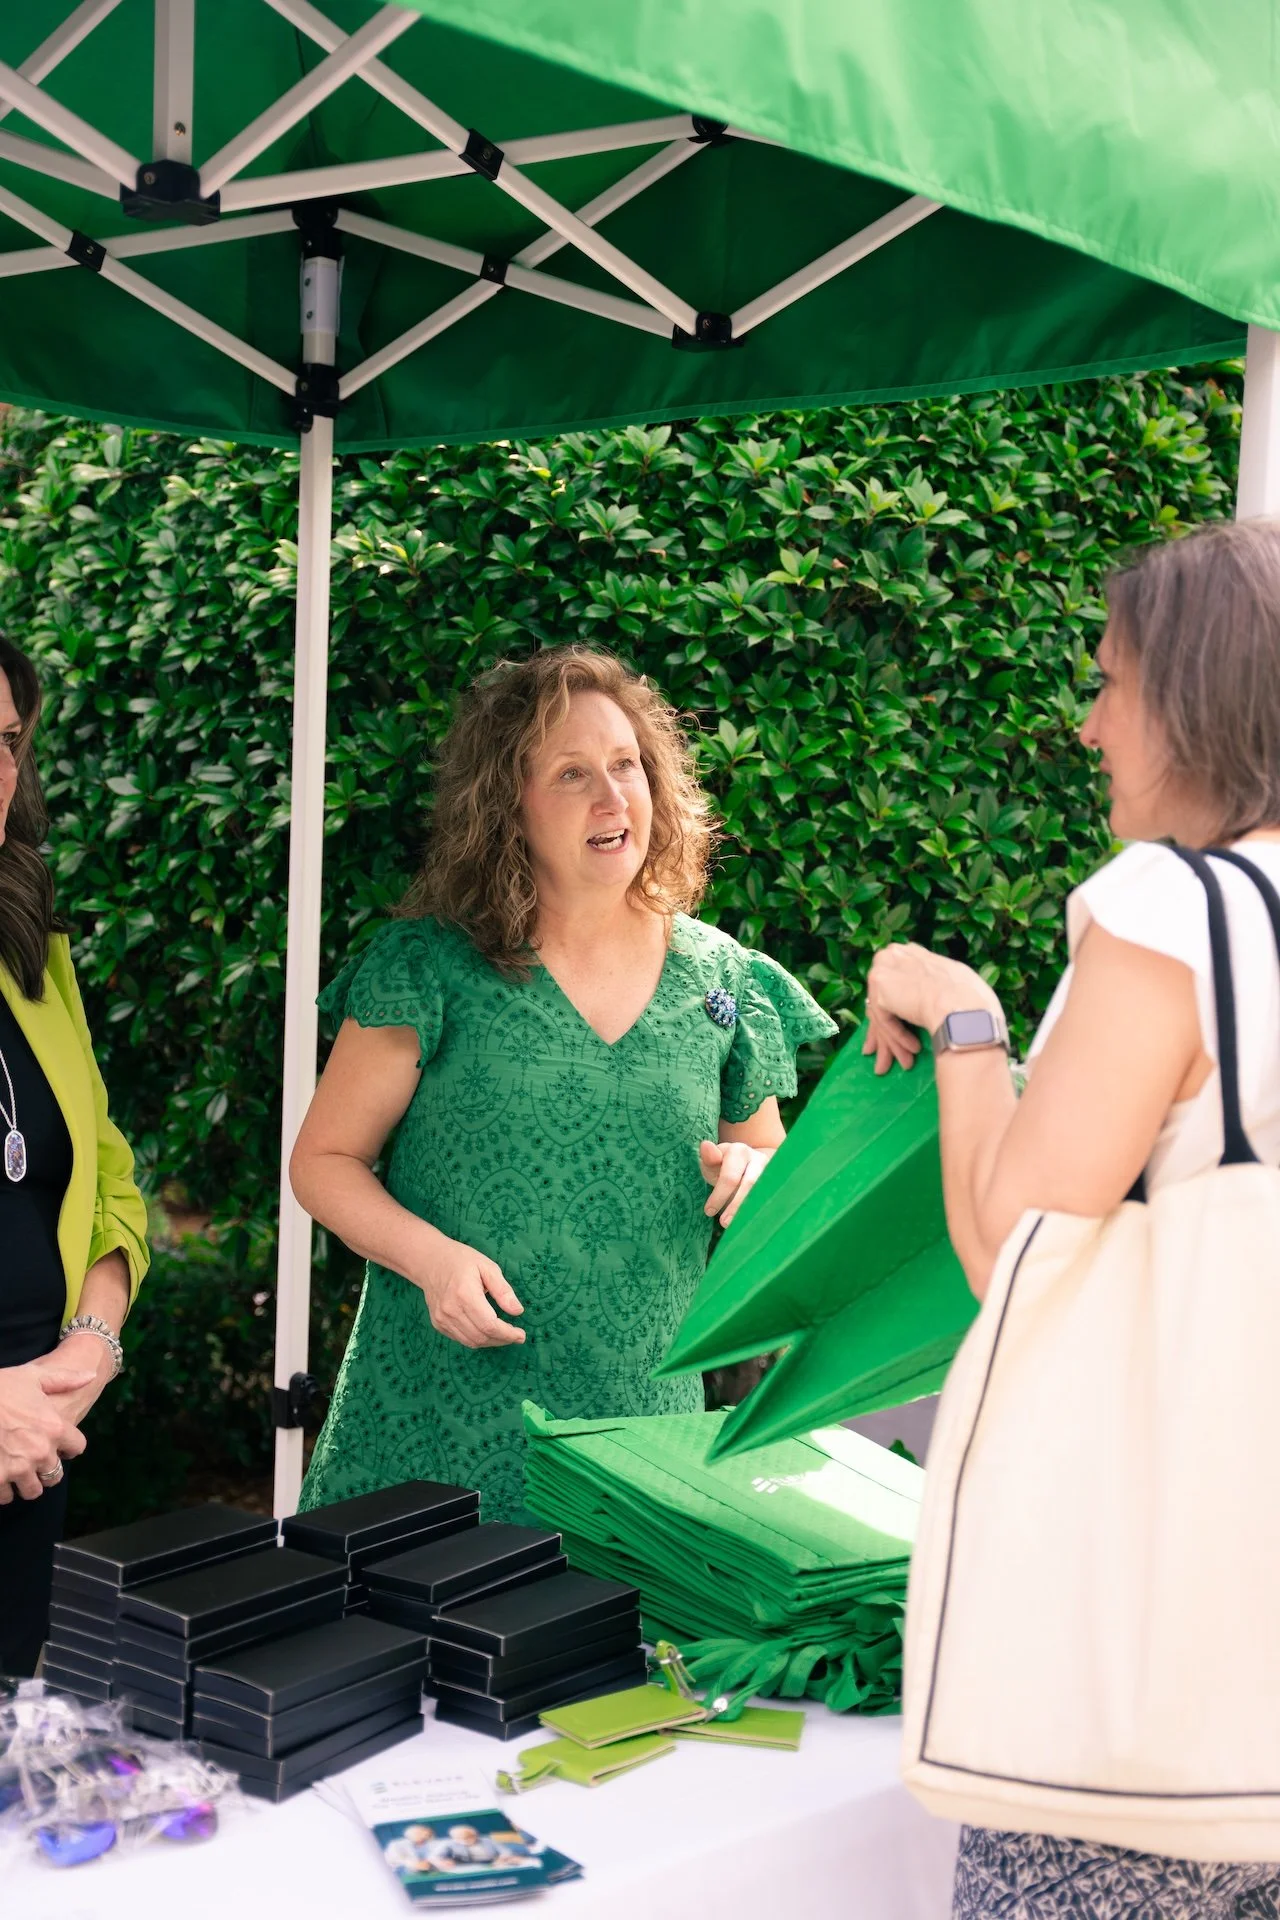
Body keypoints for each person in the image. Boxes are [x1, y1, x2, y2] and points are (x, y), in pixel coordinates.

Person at [864, 518, 1280, 1919]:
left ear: (1193, 699)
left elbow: (1014, 1249)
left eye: (1110, 686)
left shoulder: (1178, 914)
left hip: (1145, 1687)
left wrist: (963, 1015)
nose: (1090, 726)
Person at [292, 645, 835, 1520]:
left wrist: (759, 1180)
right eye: (573, 773)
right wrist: (431, 1262)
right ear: (510, 808)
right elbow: (323, 1160)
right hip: (434, 1433)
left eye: (626, 766)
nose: (613, 797)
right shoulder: (428, 968)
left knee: (624, 1661)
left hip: (639, 1442)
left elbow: (765, 1163)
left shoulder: (723, 981)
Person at [0, 638, 149, 1675]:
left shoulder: (34, 953)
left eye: (6, 741)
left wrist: (90, 1346)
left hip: (32, 1452)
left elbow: (111, 1184)